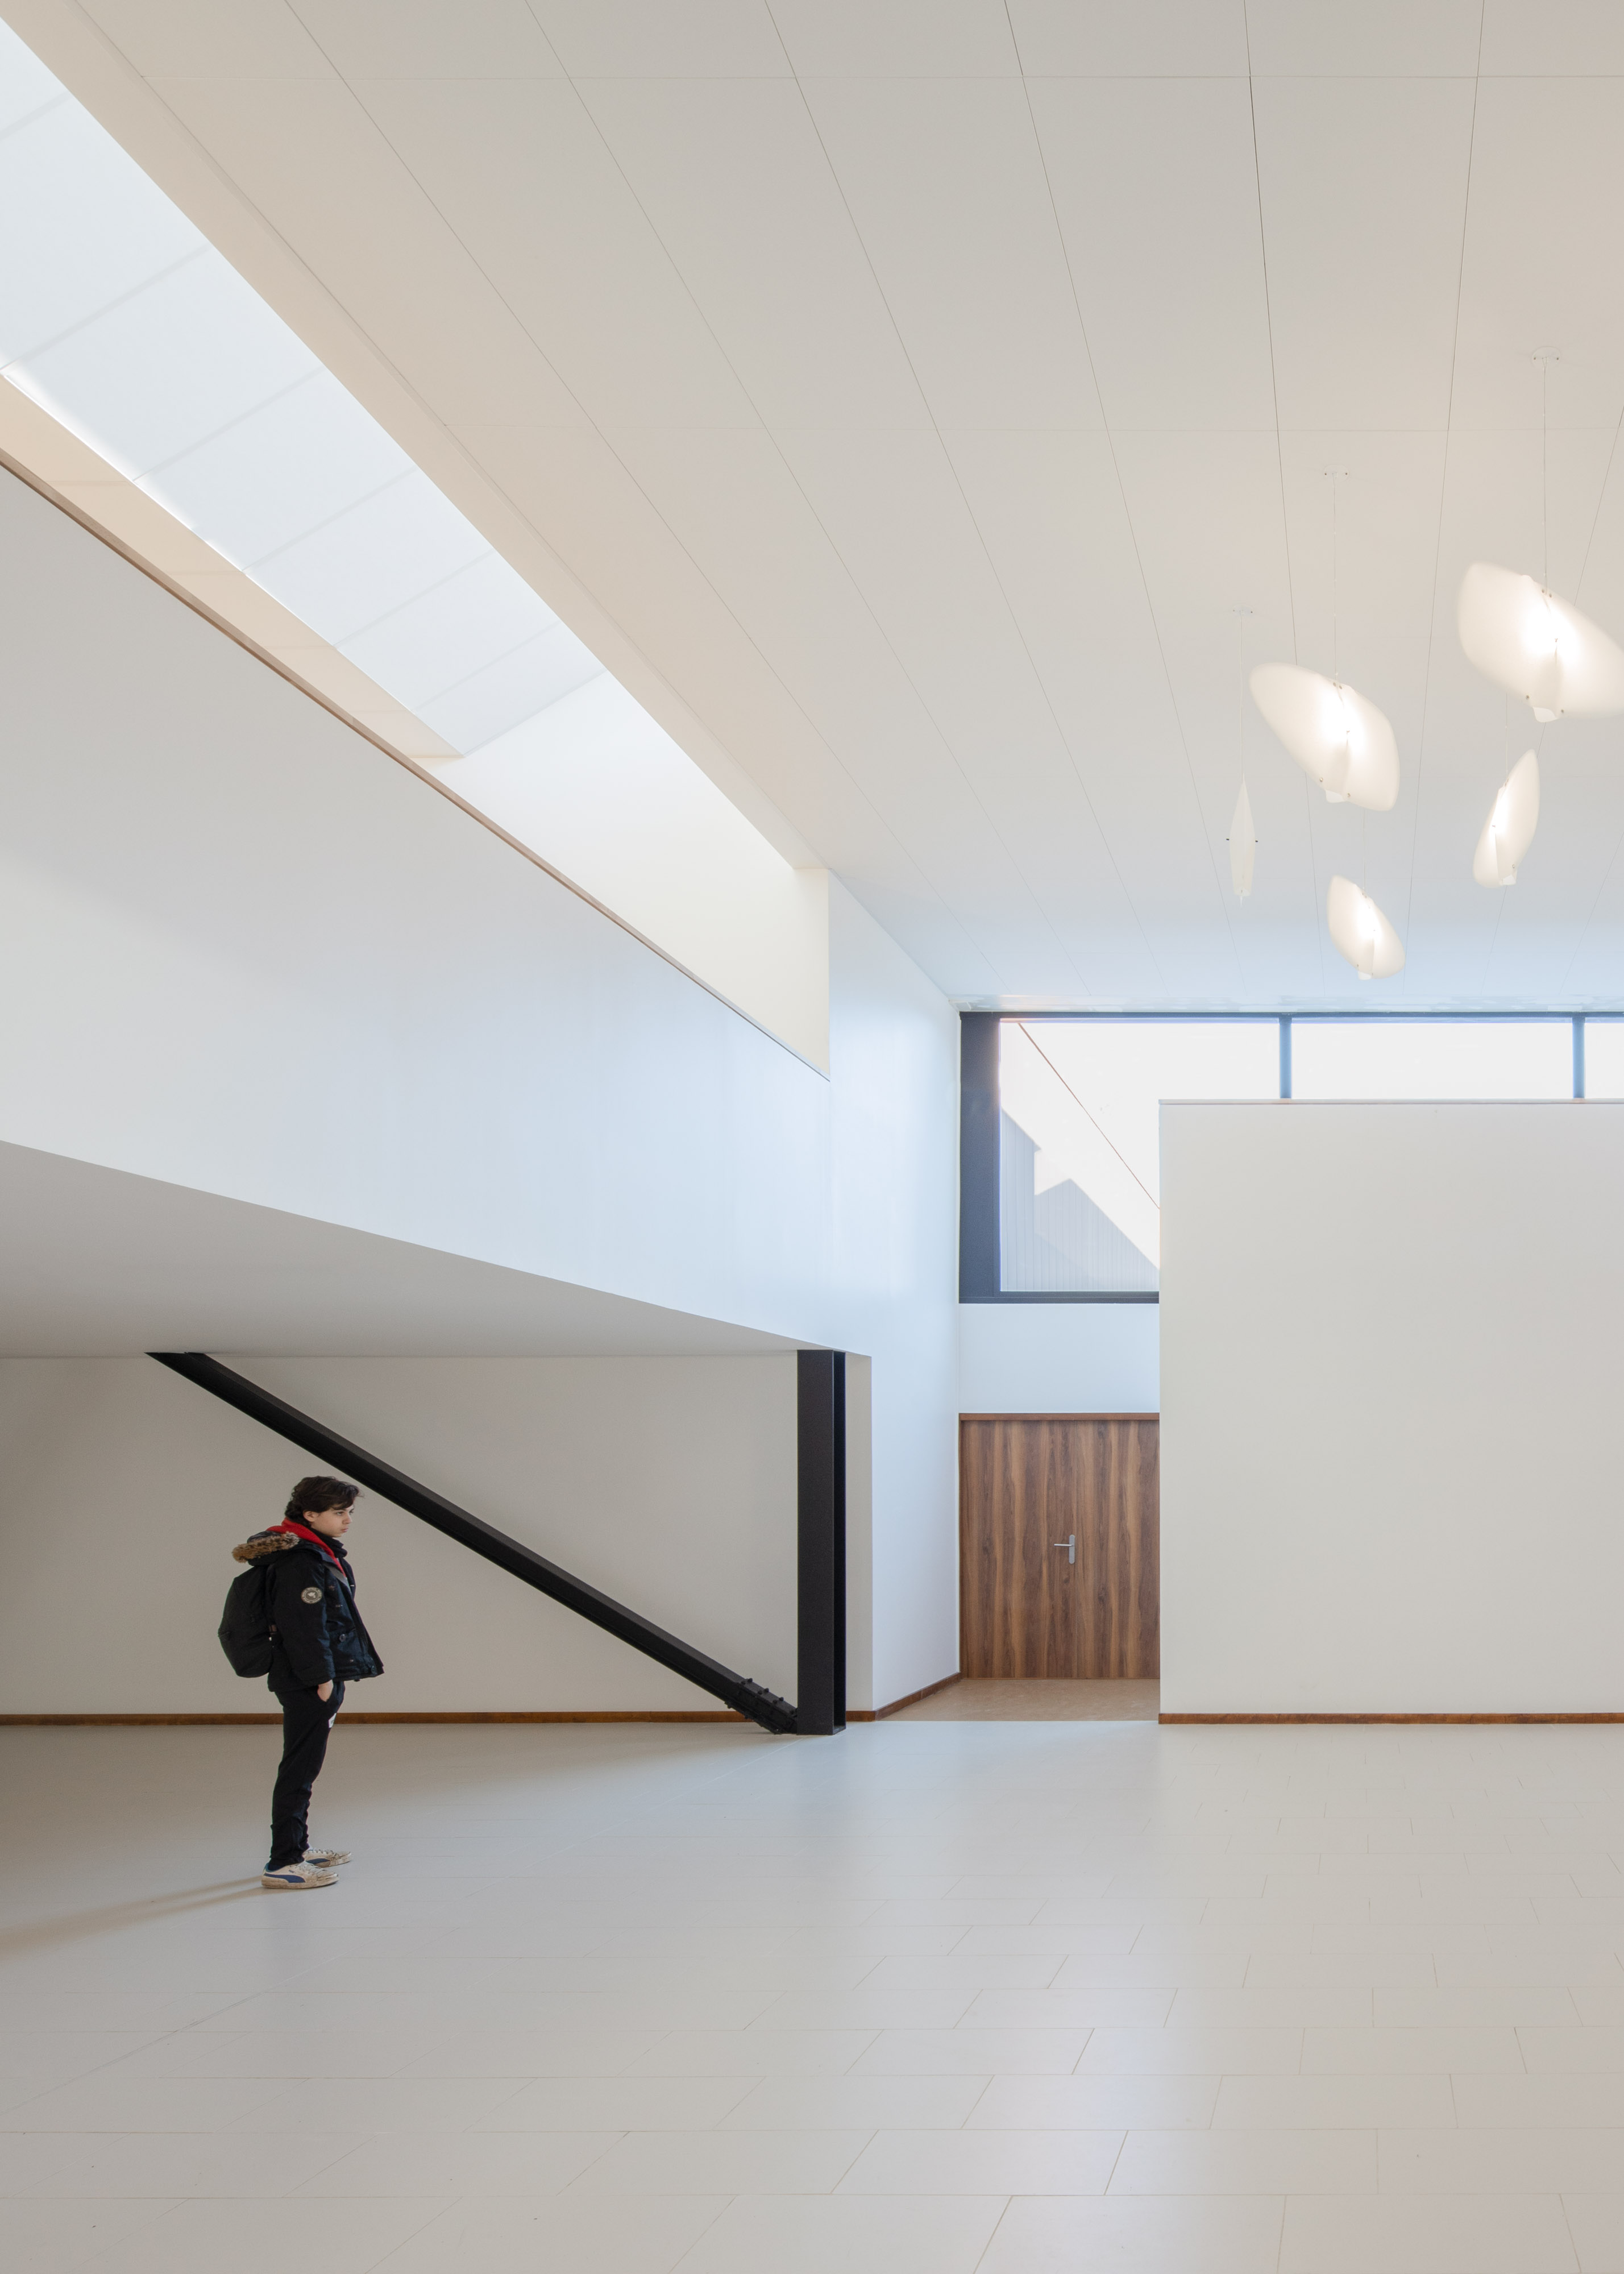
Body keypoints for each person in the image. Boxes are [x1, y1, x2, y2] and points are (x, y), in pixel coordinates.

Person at [231, 1476, 383, 1890]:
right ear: (310, 1515)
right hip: (308, 1677)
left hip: (316, 1673)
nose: (347, 1520)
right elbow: (303, 1625)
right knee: (299, 1767)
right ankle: (282, 1862)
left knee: (305, 1765)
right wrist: (321, 1677)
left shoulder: (313, 1551)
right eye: (339, 1512)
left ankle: (297, 1848)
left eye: (349, 1512)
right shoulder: (300, 1561)